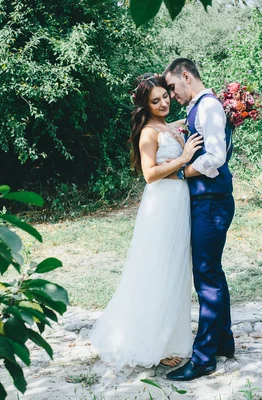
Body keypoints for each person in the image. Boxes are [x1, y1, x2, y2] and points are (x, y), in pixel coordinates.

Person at [88, 73, 204, 370]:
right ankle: (155, 344)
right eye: (156, 101)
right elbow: (149, 174)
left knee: (176, 267)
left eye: (166, 96)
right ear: (145, 105)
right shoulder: (149, 133)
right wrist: (184, 158)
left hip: (178, 202)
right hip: (161, 204)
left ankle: (170, 335)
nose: (164, 102)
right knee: (158, 268)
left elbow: (192, 121)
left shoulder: (168, 126)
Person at [163, 59, 236, 381]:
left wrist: (182, 171)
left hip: (211, 202)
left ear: (186, 76)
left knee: (205, 276)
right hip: (208, 201)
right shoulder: (200, 108)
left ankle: (204, 357)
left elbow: (216, 156)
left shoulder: (208, 107)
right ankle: (223, 341)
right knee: (212, 272)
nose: (172, 94)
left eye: (173, 87)